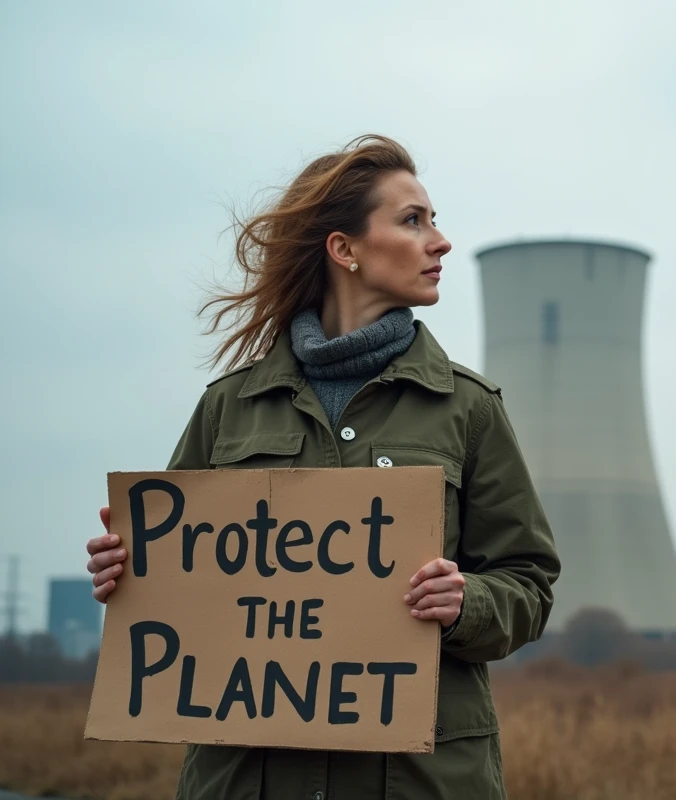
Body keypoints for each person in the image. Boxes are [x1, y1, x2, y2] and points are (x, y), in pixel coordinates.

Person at [83, 134, 560, 800]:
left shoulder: (466, 409)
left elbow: (529, 584)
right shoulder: (230, 409)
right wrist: (128, 573)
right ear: (345, 249)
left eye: (433, 219)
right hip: (251, 779)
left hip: (417, 781)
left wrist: (465, 604)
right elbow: (182, 580)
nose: (441, 240)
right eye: (413, 220)